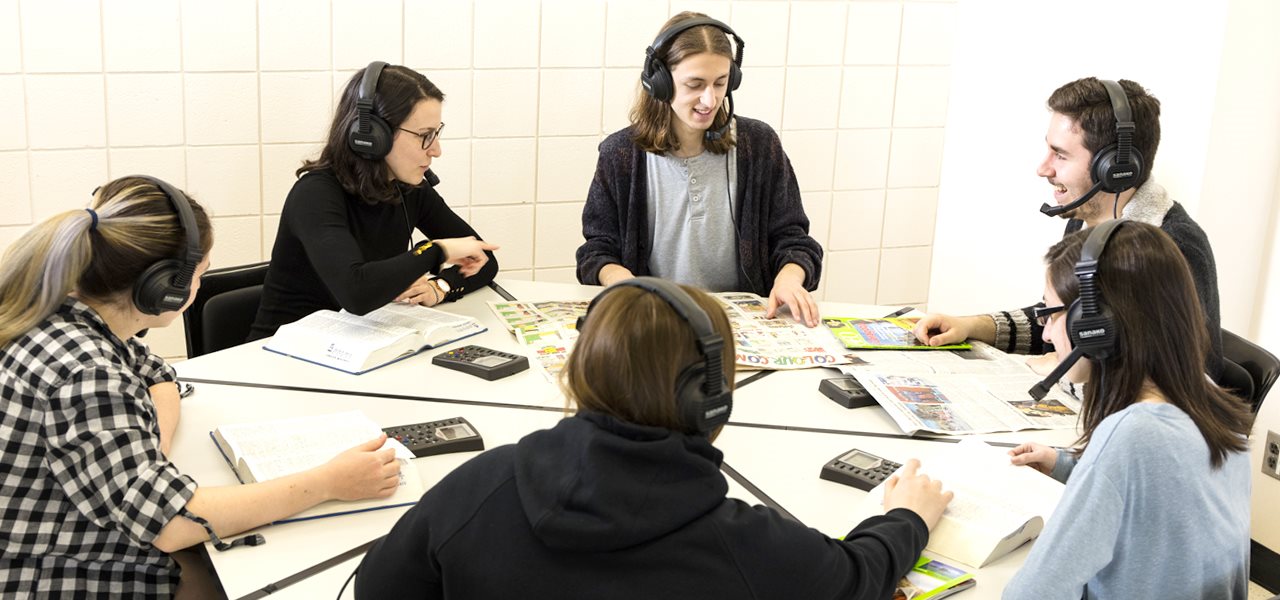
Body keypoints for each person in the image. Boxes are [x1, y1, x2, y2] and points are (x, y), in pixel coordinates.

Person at [354, 278, 953, 599]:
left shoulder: (481, 485)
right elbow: (857, 576)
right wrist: (907, 519)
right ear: (710, 396)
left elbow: (378, 588)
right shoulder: (744, 543)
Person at [0, 176, 402, 597]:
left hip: (67, 534)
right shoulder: (87, 372)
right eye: (200, 272)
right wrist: (328, 482)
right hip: (46, 573)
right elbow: (172, 524)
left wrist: (146, 452)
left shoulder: (68, 313)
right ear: (165, 288)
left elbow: (157, 375)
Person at [1002, 221, 1252, 599]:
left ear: (1094, 326)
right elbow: (1165, 503)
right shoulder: (1208, 395)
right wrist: (1068, 465)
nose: (1047, 334)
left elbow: (1033, 594)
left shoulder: (1133, 434)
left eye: (1050, 314)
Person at [913, 77, 1224, 382]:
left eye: (1060, 155)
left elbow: (1188, 381)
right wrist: (972, 326)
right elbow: (1065, 320)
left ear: (1115, 167)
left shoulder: (1174, 246)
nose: (1044, 168)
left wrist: (1064, 370)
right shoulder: (1087, 218)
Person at [575, 12, 824, 327]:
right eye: (695, 84)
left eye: (721, 83)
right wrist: (623, 282)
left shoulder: (758, 145)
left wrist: (789, 278)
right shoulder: (620, 154)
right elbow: (596, 250)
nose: (710, 99)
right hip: (656, 322)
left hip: (745, 324)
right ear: (660, 82)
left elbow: (793, 240)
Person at [249, 61, 499, 340]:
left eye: (436, 133)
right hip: (283, 356)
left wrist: (439, 287)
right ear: (371, 135)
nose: (436, 150)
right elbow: (357, 293)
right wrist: (435, 250)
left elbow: (483, 257)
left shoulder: (409, 189)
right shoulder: (315, 194)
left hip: (359, 345)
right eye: (425, 136)